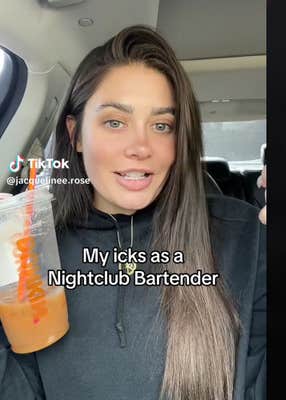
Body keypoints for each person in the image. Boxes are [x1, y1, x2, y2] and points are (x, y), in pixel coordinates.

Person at [0, 26, 266, 400]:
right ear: (75, 135)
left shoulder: (247, 239)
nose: (141, 147)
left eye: (161, 125)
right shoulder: (28, 252)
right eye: (115, 122)